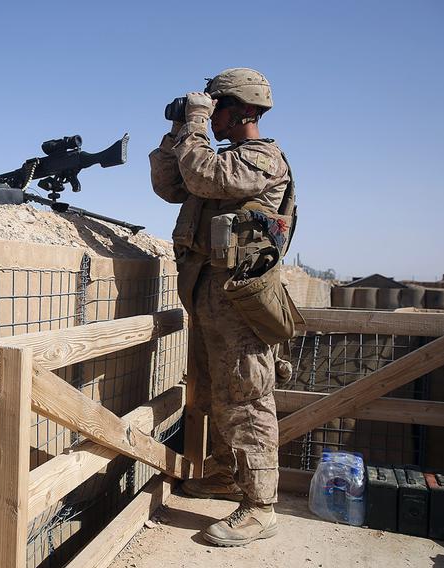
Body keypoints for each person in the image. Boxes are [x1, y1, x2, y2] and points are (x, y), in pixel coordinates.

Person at [148, 68, 297, 547]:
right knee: (214, 393)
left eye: (217, 111)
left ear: (243, 111)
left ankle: (259, 506)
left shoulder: (260, 158)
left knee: (247, 397)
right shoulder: (217, 158)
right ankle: (225, 475)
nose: (211, 120)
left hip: (240, 298)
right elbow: (171, 185)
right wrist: (178, 130)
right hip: (210, 295)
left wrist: (193, 121)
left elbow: (201, 173)